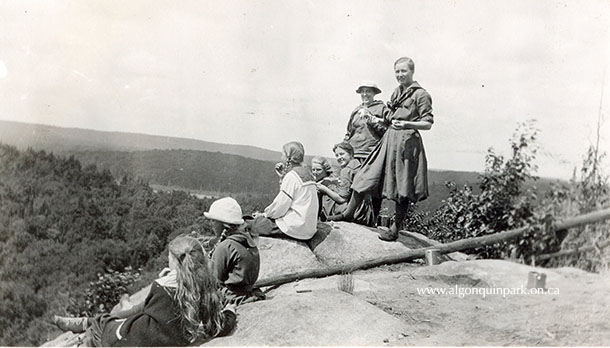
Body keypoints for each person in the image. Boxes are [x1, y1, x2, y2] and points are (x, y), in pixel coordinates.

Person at [52, 235, 237, 346]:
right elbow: (221, 325)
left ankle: (86, 324)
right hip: (165, 336)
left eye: (169, 258)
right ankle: (86, 322)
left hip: (137, 339)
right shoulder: (205, 288)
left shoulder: (162, 288)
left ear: (175, 262)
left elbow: (144, 311)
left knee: (102, 324)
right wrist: (230, 311)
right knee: (127, 312)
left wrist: (161, 280)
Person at [330, 57, 434, 242]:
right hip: (389, 140)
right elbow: (389, 118)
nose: (400, 75)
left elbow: (428, 123)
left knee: (402, 186)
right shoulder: (396, 92)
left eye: (404, 71)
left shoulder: (421, 95)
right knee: (365, 175)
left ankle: (395, 229)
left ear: (412, 71)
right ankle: (348, 214)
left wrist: (407, 123)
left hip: (407, 143)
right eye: (397, 71)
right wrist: (377, 119)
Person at [249, 141, 319, 241]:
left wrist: (265, 214)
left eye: (283, 154)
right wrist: (283, 177)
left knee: (248, 224)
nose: (281, 157)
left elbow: (280, 206)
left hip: (294, 228)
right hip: (308, 228)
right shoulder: (308, 173)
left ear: (288, 157)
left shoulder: (292, 176)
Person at [203, 197, 265, 305]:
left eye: (213, 221)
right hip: (247, 292)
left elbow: (214, 281)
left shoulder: (225, 247)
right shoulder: (247, 240)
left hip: (232, 296)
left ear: (223, 224)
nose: (211, 224)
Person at [320, 142, 375, 226]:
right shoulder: (359, 165)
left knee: (326, 191)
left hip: (354, 213)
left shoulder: (346, 170)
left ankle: (323, 218)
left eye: (342, 154)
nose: (339, 158)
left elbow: (341, 199)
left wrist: (324, 189)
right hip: (366, 212)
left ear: (351, 154)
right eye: (337, 155)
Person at [344, 81, 391, 162]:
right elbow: (349, 132)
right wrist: (343, 147)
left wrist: (370, 119)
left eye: (368, 91)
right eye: (362, 91)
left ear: (374, 93)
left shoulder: (382, 108)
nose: (365, 94)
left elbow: (387, 131)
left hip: (370, 154)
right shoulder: (356, 110)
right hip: (353, 153)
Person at [310, 156, 339, 221]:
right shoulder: (318, 182)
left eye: (318, 170)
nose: (315, 172)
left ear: (326, 170)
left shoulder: (330, 185)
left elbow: (328, 209)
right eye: (313, 169)